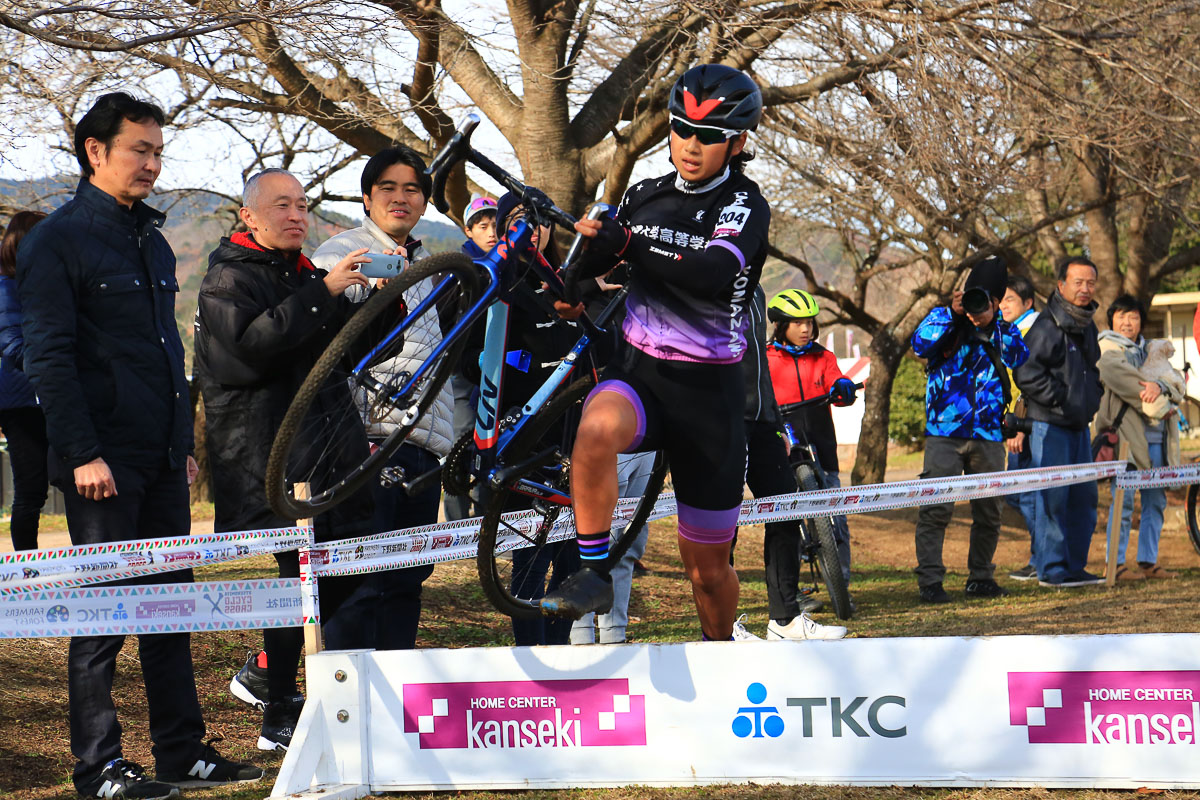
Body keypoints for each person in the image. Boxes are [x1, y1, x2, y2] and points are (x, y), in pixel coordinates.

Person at [18, 91, 261, 800]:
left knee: (171, 608)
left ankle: (180, 753)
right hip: (100, 462)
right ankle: (99, 768)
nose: (153, 164)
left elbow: (164, 355)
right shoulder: (55, 243)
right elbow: (50, 359)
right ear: (96, 152)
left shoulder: (152, 242)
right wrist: (81, 453)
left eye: (159, 151)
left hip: (159, 460)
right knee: (102, 617)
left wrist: (180, 446)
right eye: (140, 150)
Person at [541, 64, 770, 642]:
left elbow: (710, 273)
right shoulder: (645, 195)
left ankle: (721, 650)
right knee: (594, 431)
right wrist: (576, 275)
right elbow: (605, 266)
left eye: (710, 136)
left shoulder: (744, 205)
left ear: (737, 143)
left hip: (709, 399)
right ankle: (594, 573)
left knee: (707, 574)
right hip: (641, 374)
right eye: (681, 129)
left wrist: (631, 245)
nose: (691, 146)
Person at [196, 167, 376, 752]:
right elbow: (245, 354)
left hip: (328, 447)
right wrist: (322, 293)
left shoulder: (306, 273)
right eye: (281, 206)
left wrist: (371, 302)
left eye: (302, 205)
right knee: (291, 584)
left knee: (329, 579)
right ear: (248, 216)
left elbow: (355, 354)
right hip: (267, 454)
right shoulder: (229, 278)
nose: (296, 215)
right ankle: (276, 710)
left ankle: (305, 693)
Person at [311, 145, 453, 650]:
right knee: (358, 584)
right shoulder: (342, 252)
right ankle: (348, 709)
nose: (400, 198)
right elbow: (328, 335)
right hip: (365, 441)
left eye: (412, 189)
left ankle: (394, 712)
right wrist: (363, 285)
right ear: (367, 198)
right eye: (387, 188)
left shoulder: (427, 266)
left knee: (406, 583)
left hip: (420, 444)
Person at [910, 256, 1028, 603]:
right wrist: (952, 313)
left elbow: (1019, 358)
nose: (978, 307)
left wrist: (994, 323)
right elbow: (919, 345)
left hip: (989, 433)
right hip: (944, 432)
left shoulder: (1005, 329)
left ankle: (981, 577)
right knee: (936, 509)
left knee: (989, 511)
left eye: (986, 301)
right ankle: (930, 581)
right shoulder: (944, 319)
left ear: (995, 301)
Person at [747, 286, 850, 639]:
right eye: (796, 323)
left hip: (821, 439)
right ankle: (791, 598)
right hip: (782, 437)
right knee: (786, 510)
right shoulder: (768, 357)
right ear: (780, 326)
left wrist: (844, 386)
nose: (805, 328)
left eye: (809, 322)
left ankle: (842, 583)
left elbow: (837, 378)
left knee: (835, 510)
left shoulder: (822, 356)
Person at [1014, 255, 1103, 587]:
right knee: (1052, 498)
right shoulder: (1046, 324)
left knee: (1083, 498)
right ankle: (1051, 570)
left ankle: (1074, 567)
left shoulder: (1088, 323)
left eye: (1090, 283)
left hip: (1080, 425)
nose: (1084, 289)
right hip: (1049, 426)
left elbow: (1093, 369)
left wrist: (1090, 400)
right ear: (1061, 285)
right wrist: (1063, 399)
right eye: (1077, 282)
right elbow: (1025, 372)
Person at [1095, 294, 1182, 580]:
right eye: (1121, 316)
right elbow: (1118, 378)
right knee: (1124, 501)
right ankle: (1115, 565)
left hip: (1159, 439)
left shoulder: (1151, 349)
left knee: (1156, 500)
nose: (1128, 322)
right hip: (1126, 439)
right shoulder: (1107, 348)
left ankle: (1148, 560)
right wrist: (1159, 398)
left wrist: (1161, 385)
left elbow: (1176, 382)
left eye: (1133, 316)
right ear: (1112, 320)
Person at [445, 194, 498, 521]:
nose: (491, 231)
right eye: (482, 225)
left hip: (494, 369)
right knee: (460, 444)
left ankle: (485, 521)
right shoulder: (459, 267)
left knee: (490, 446)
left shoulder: (508, 266)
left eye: (496, 225)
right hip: (461, 372)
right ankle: (455, 523)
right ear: (468, 230)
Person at [0, 210, 49, 551]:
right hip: (20, 400)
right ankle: (27, 568)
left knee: (78, 480)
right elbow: (11, 344)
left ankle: (89, 563)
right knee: (31, 488)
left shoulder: (43, 282)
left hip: (49, 394)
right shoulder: (6, 287)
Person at [998, 276, 1040, 581]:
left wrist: (1021, 427)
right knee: (1019, 494)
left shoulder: (1031, 332)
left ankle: (1041, 558)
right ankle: (1042, 556)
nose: (1002, 306)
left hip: (1027, 425)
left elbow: (1031, 386)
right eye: (1000, 300)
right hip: (1016, 422)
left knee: (1026, 494)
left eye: (1009, 299)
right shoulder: (1011, 331)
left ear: (1028, 303)